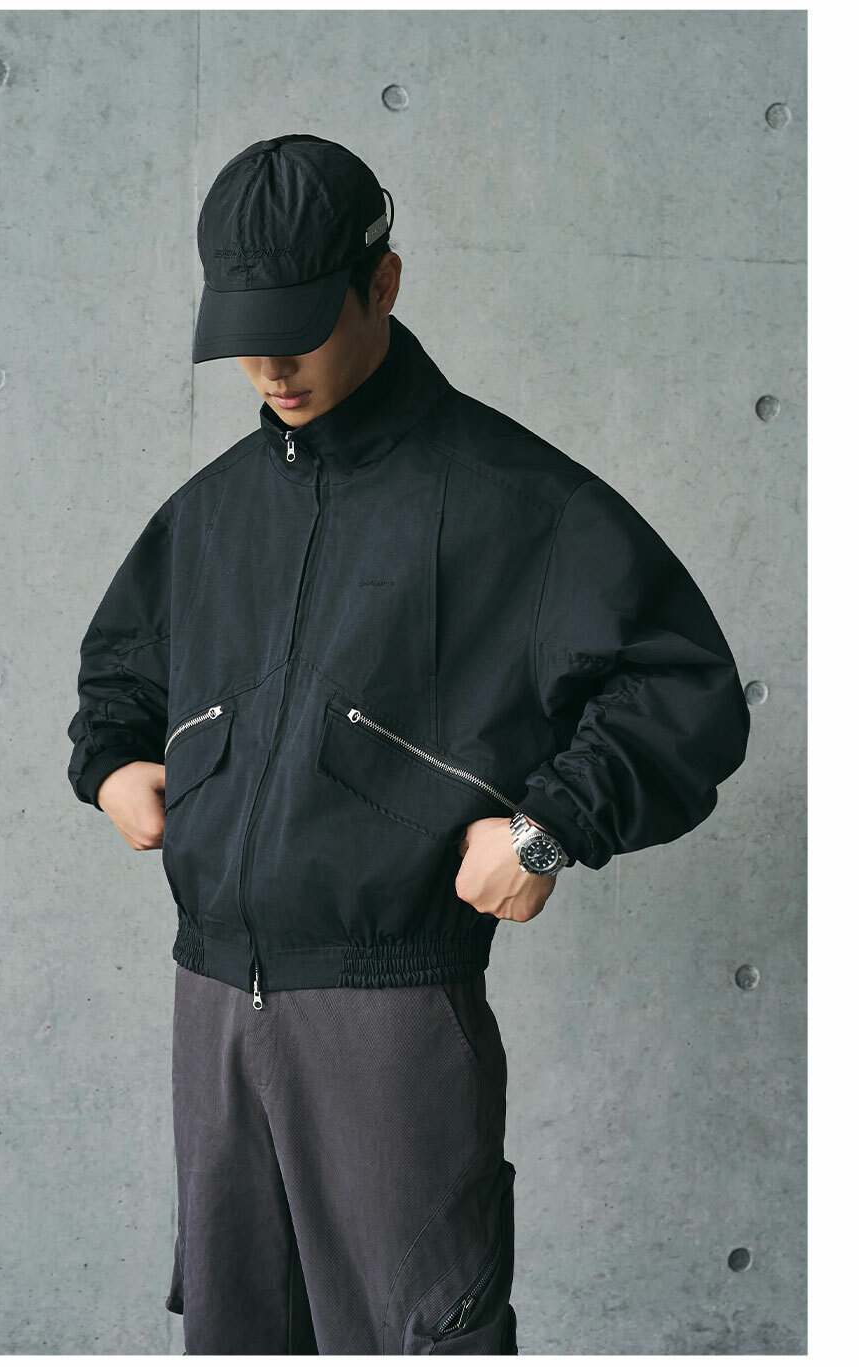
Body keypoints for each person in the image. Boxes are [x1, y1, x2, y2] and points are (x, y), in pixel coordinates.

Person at [66, 134, 751, 1355]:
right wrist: (114, 762)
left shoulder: (514, 499)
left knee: (418, 1334)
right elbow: (121, 671)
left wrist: (550, 828)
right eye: (246, 334)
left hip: (389, 1007)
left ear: (381, 284)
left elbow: (685, 685)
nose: (270, 365)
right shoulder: (215, 509)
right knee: (237, 1330)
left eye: (298, 327)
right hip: (212, 999)